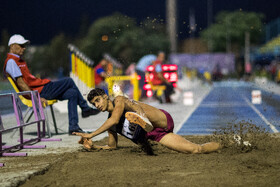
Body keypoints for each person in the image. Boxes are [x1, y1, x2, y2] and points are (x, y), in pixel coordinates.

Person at [74, 88, 221, 155]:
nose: (97, 105)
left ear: (105, 96)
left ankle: (142, 118)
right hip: (156, 135)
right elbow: (112, 147)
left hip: (159, 121)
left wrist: (90, 134)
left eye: (98, 100)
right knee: (196, 150)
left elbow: (115, 118)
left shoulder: (119, 100)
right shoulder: (110, 125)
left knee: (130, 105)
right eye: (94, 104)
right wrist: (95, 147)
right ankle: (222, 144)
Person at [3, 34, 100, 135]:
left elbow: (25, 82)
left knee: (72, 93)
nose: (24, 48)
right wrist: (35, 97)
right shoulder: (11, 62)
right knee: (69, 81)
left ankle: (73, 128)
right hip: (40, 92)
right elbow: (21, 83)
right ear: (12, 46)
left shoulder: (19, 60)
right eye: (21, 45)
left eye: (24, 45)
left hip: (41, 89)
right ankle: (85, 109)